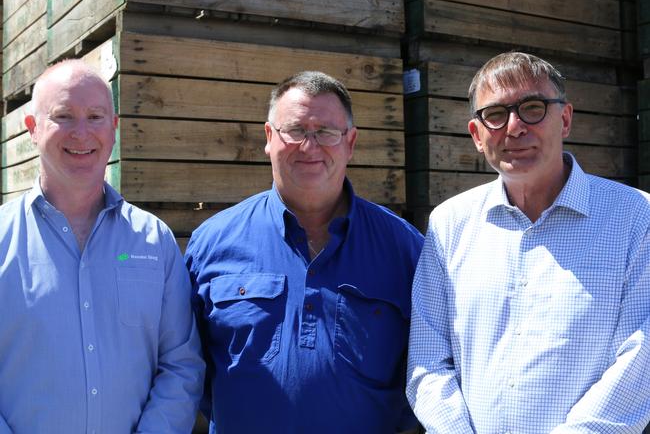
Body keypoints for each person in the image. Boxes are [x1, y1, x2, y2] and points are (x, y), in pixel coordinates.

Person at [407, 51, 650, 432]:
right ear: (476, 134)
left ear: (565, 118)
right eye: (496, 115)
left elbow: (643, 357)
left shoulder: (636, 218)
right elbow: (427, 360)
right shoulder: (449, 225)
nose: (515, 127)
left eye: (533, 108)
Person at [185, 71, 424, 434]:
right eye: (295, 130)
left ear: (350, 142)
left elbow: (426, 366)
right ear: (269, 137)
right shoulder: (212, 243)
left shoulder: (404, 248)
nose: (310, 146)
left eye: (326, 132)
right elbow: (189, 367)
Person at [0, 60, 205, 433]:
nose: (82, 133)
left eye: (95, 117)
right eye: (64, 116)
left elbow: (181, 363)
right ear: (32, 129)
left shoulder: (154, 241)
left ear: (113, 129)